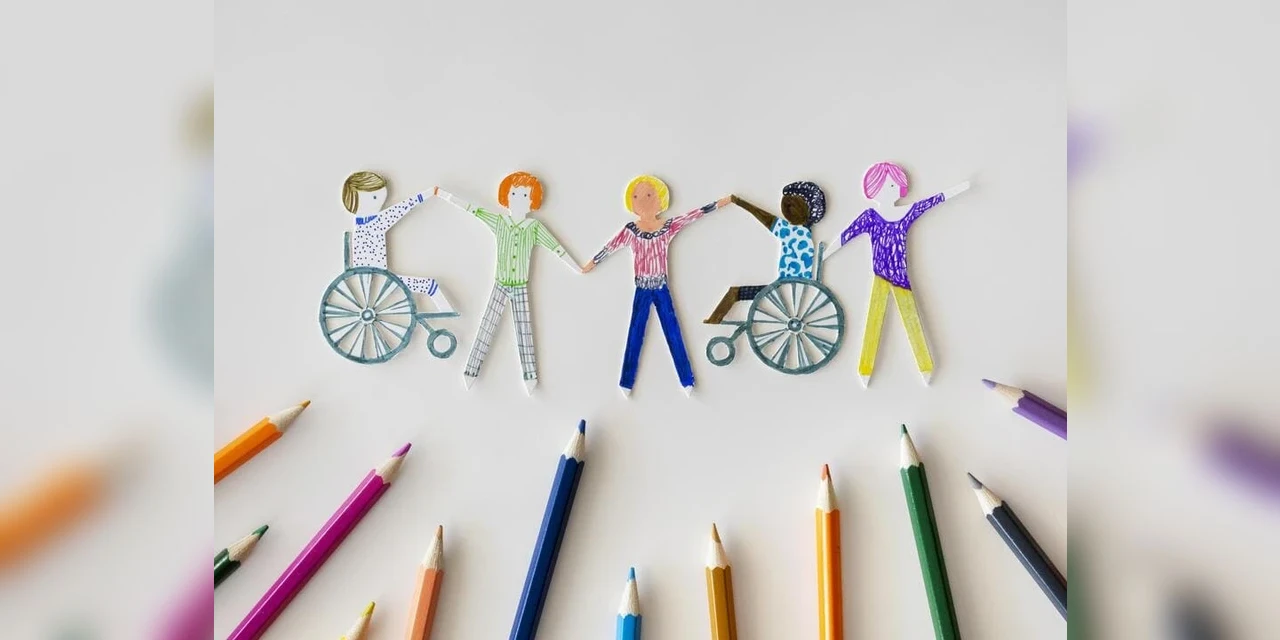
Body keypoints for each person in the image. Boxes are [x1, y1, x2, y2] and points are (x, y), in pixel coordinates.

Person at [584, 174, 731, 396]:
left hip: (661, 287)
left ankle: (686, 380)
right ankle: (626, 382)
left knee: (673, 330)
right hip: (642, 289)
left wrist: (721, 203)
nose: (642, 201)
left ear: (660, 199)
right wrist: (591, 264)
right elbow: (610, 247)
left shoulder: (668, 226)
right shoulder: (630, 230)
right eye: (636, 197)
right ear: (630, 202)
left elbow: (694, 215)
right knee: (635, 332)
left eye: (648, 195)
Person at [823, 162, 969, 386]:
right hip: (881, 275)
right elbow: (846, 236)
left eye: (893, 185)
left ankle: (925, 368)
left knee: (911, 321)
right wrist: (824, 255)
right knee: (874, 321)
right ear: (874, 189)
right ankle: (866, 371)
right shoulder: (870, 216)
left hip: (900, 276)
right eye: (886, 186)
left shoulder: (906, 213)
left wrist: (959, 188)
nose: (891, 190)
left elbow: (932, 202)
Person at [436, 172, 580, 394]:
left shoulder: (534, 228)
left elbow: (556, 248)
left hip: (520, 286)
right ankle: (470, 372)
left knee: (524, 329)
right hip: (500, 284)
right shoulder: (500, 222)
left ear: (532, 200)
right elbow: (474, 210)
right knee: (487, 325)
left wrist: (578, 267)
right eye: (514, 194)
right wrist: (447, 196)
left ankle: (530, 378)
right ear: (506, 197)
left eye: (524, 195)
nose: (518, 199)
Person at [703, 181, 827, 324]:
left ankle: (715, 319)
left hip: (784, 288)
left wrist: (738, 201)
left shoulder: (790, 231)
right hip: (794, 286)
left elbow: (764, 217)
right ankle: (715, 319)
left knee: (735, 292)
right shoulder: (806, 234)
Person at [342, 171, 455, 313]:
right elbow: (401, 208)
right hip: (382, 279)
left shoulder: (361, 225)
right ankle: (447, 311)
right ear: (357, 200)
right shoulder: (374, 223)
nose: (380, 202)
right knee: (429, 285)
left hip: (373, 278)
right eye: (375, 197)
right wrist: (427, 194)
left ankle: (447, 311)